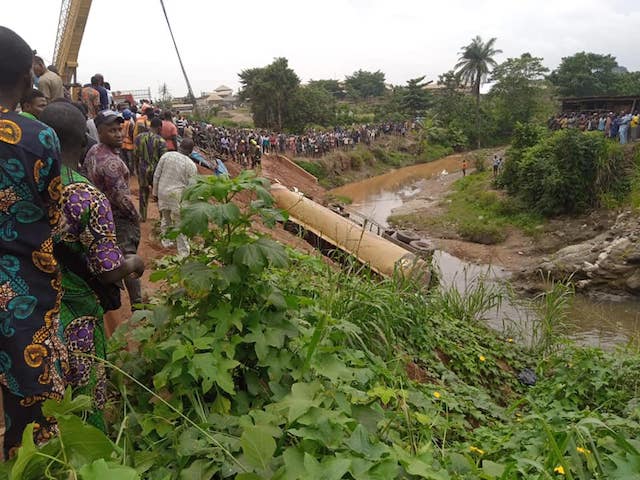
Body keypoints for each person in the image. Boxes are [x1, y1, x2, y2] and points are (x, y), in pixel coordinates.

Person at [39, 102, 144, 428]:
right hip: (78, 310)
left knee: (45, 392)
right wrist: (134, 262)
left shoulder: (24, 185)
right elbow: (108, 269)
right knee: (86, 392)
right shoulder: (86, 196)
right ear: (84, 144)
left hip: (34, 308)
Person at [0, 26, 68, 458]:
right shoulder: (38, 137)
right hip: (25, 290)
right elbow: (56, 219)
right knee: (31, 416)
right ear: (28, 79)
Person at [84, 111, 143, 316]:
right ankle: (138, 305)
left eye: (119, 129)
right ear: (100, 131)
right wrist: (135, 217)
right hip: (117, 216)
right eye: (112, 130)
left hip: (100, 214)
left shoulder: (93, 151)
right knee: (129, 258)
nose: (119, 134)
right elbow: (122, 199)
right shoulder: (112, 163)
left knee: (109, 256)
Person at [153, 138, 197, 257]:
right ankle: (183, 252)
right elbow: (191, 186)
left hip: (163, 191)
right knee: (180, 223)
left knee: (165, 218)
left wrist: (155, 193)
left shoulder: (166, 156)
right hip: (177, 196)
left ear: (179, 146)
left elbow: (157, 175)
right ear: (191, 151)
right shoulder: (191, 165)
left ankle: (166, 243)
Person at [134, 117, 167, 221]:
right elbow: (163, 160)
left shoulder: (139, 138)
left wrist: (136, 169)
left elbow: (135, 155)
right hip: (156, 171)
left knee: (143, 192)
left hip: (143, 169)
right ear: (159, 127)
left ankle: (142, 216)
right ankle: (162, 217)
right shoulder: (161, 141)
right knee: (158, 194)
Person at [120, 109, 135, 173]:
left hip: (122, 144)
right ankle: (131, 172)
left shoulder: (121, 123)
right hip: (129, 144)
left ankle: (126, 171)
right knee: (130, 160)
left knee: (124, 159)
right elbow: (132, 134)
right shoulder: (130, 124)